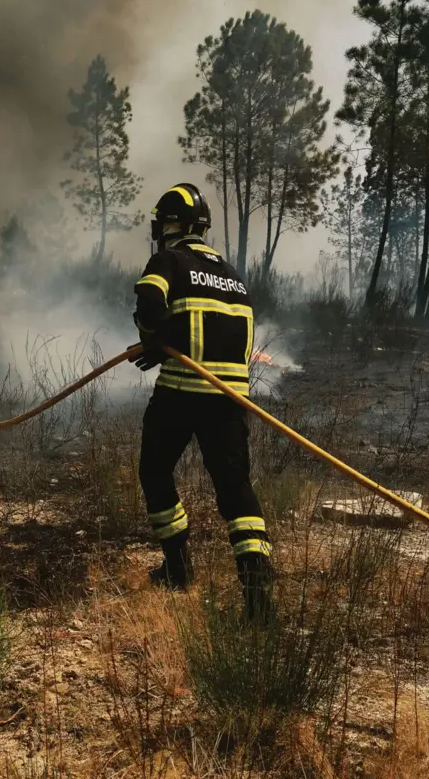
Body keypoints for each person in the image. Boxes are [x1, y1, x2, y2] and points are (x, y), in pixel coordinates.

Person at [128, 182, 273, 622]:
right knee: (235, 489)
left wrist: (155, 340)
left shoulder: (169, 260)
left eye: (163, 223)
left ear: (174, 225)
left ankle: (178, 568)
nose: (160, 231)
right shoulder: (231, 275)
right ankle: (258, 598)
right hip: (230, 398)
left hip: (181, 390)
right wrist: (168, 342)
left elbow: (148, 300)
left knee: (154, 471)